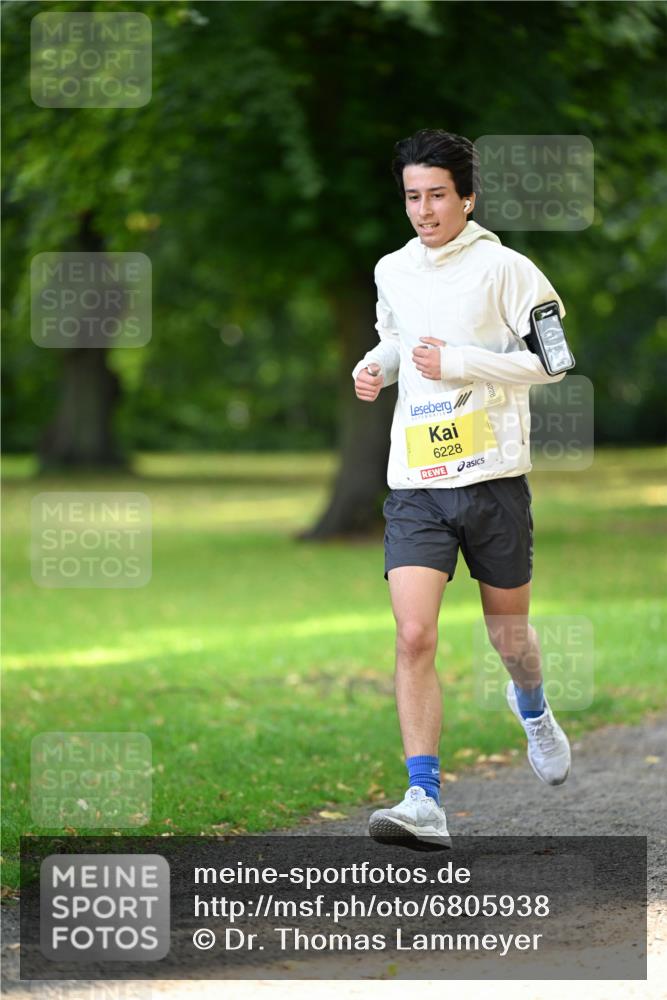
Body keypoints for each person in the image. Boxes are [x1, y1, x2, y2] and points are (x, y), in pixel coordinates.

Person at [353, 129, 572, 849]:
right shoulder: (392, 269)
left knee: (509, 637)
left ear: (467, 197)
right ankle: (423, 798)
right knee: (413, 634)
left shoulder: (507, 270)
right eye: (412, 196)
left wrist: (462, 362)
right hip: (417, 483)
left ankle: (531, 704)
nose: (423, 210)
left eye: (437, 195)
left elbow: (553, 363)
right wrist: (377, 366)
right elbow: (397, 340)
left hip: (493, 481)